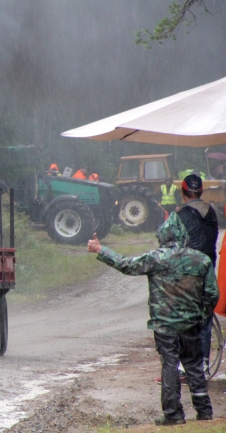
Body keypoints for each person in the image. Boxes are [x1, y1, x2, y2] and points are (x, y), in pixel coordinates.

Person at [87, 214, 218, 425]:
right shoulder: (201, 260)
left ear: (163, 236)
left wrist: (100, 250)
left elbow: (126, 265)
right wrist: (201, 317)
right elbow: (212, 294)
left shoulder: (156, 258)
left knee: (170, 365)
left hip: (165, 326)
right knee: (194, 365)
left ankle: (173, 414)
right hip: (192, 325)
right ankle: (205, 412)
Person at [175, 174, 219, 374]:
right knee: (205, 321)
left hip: (187, 275)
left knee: (184, 321)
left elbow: (169, 244)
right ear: (201, 191)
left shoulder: (180, 215)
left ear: (183, 192)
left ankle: (185, 366)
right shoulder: (212, 212)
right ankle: (203, 364)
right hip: (208, 273)